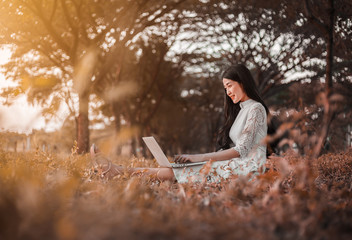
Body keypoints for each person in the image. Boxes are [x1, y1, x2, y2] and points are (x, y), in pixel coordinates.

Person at [90, 64, 268, 183]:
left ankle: (118, 171)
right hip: (239, 165)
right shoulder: (242, 110)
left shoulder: (256, 109)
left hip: (249, 169)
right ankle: (117, 170)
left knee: (186, 169)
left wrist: (200, 157)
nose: (227, 92)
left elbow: (241, 151)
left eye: (229, 85)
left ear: (242, 82)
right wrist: (200, 158)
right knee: (180, 168)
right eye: (225, 88)